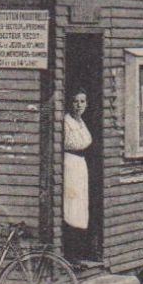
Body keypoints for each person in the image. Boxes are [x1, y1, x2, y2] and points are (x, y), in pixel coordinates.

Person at [62, 89, 94, 260]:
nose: (79, 105)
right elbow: (71, 143)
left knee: (81, 205)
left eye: (82, 101)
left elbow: (86, 141)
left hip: (80, 165)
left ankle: (80, 252)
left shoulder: (81, 122)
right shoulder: (66, 122)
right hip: (70, 163)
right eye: (75, 101)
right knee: (71, 205)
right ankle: (71, 253)